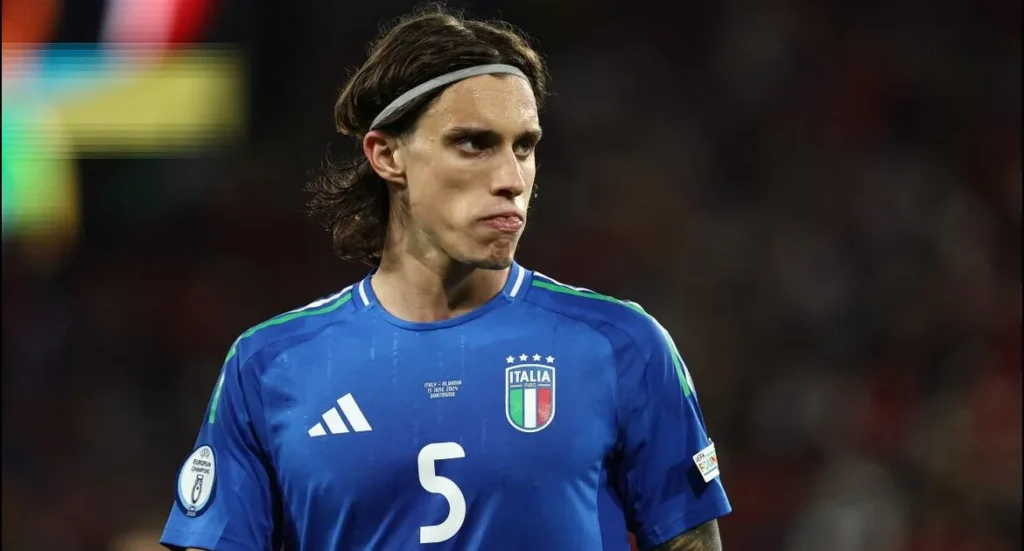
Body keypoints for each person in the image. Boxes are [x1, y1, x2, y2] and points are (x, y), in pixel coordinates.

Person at [160, 5, 731, 550]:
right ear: (387, 156)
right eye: (474, 143)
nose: (511, 179)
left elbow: (689, 541)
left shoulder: (622, 346)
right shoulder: (269, 367)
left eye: (524, 147)